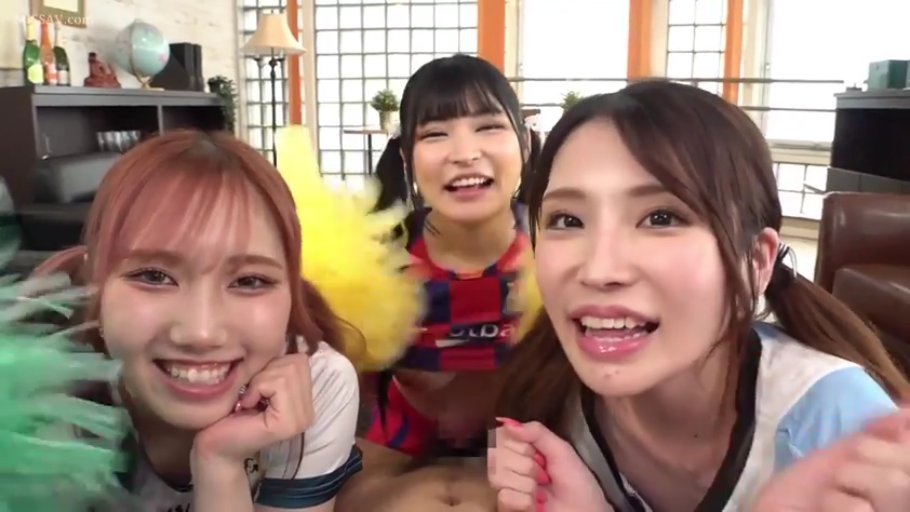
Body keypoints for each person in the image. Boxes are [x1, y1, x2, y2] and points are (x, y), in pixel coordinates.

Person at [488, 80, 910, 512]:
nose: (599, 270)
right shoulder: (548, 402)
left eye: (661, 218)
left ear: (756, 262)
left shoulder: (841, 435)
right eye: (568, 220)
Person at [33, 130, 362, 512]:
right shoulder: (40, 401)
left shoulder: (318, 384)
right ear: (96, 285)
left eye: (249, 281)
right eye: (153, 276)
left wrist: (219, 464)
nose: (201, 333)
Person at [362, 53, 542, 458]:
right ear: (406, 155)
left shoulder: (560, 248)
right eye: (435, 134)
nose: (464, 154)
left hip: (535, 452)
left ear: (525, 143)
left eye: (489, 127)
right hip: (399, 455)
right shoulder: (375, 259)